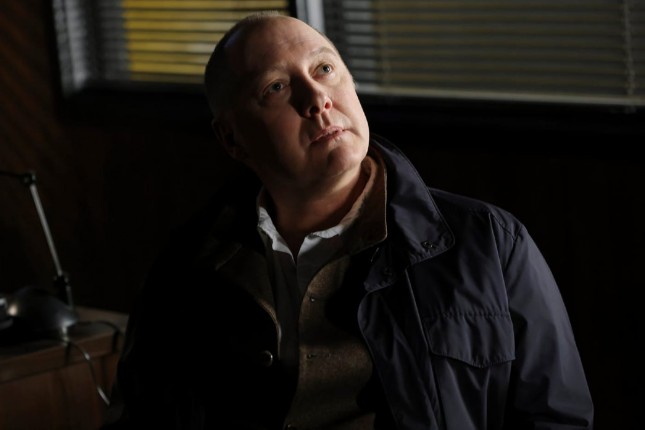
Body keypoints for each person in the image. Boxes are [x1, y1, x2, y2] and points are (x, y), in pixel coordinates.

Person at [102, 11, 594, 430]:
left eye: (325, 68)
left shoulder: (488, 243)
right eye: (276, 87)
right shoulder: (187, 268)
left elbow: (556, 418)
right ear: (232, 138)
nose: (317, 98)